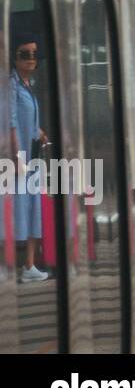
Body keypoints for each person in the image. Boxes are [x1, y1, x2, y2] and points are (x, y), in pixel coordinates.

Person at [9, 37, 49, 282]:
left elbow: (27, 119)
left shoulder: (28, 83)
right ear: (15, 58)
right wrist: (15, 156)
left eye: (34, 53)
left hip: (32, 158)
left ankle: (29, 266)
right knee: (14, 212)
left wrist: (39, 132)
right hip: (17, 162)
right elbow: (11, 121)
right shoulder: (11, 85)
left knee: (33, 210)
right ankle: (9, 266)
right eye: (25, 54)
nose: (31, 58)